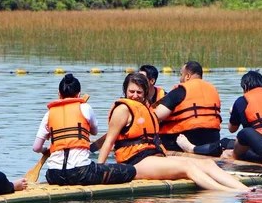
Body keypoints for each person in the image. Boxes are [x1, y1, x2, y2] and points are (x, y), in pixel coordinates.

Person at [97, 73, 250, 192]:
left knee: (208, 163)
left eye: (139, 92)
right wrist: (99, 169)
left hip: (152, 157)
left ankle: (243, 189)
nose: (135, 95)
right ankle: (227, 191)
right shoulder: (123, 109)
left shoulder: (147, 110)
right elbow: (109, 140)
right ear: (125, 91)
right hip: (134, 162)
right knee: (187, 167)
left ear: (145, 93)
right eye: (131, 91)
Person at [32, 73, 137, 186]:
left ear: (59, 94)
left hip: (53, 175)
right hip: (81, 173)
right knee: (130, 170)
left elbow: (36, 147)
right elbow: (94, 131)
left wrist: (45, 150)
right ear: (79, 94)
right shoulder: (85, 107)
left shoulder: (49, 114)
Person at [154, 61, 223, 157]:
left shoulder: (180, 91)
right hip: (213, 137)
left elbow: (157, 115)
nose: (180, 78)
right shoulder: (213, 90)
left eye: (181, 75)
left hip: (186, 137)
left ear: (187, 76)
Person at [228, 70, 262, 163]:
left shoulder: (241, 101)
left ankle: (233, 157)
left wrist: (233, 113)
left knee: (242, 134)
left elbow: (232, 129)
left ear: (244, 87)